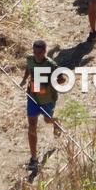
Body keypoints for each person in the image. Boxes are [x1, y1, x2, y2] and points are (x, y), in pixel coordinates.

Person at [20, 39, 63, 173]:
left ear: (45, 52)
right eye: (35, 52)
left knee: (47, 120)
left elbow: (62, 80)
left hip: (47, 99)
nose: (37, 55)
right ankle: (34, 158)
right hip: (33, 97)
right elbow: (28, 69)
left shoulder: (51, 65)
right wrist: (24, 80)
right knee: (32, 126)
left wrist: (48, 82)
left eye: (40, 52)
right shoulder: (30, 59)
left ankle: (56, 122)